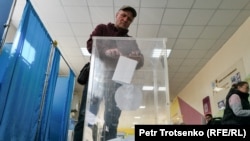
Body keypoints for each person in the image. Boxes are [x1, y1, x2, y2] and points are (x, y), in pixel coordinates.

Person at [86, 5, 144, 141]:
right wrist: (107, 51)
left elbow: (140, 62)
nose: (125, 19)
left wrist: (133, 57)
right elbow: (90, 45)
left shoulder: (130, 41)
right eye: (123, 15)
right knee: (88, 115)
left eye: (129, 19)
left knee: (112, 121)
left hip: (118, 83)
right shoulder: (102, 29)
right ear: (117, 15)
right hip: (97, 79)